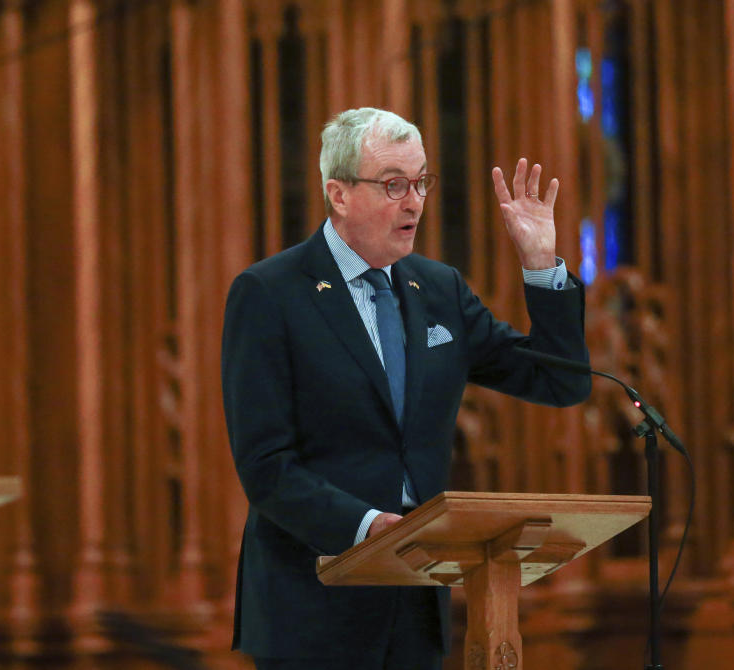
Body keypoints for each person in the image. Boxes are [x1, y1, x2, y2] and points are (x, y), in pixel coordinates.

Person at [221, 107, 590, 670]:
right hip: (311, 604)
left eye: (421, 182)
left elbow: (558, 382)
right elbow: (265, 464)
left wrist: (541, 265)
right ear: (338, 195)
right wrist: (368, 527)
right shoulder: (271, 293)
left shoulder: (437, 289)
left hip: (414, 603)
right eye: (394, 184)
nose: (414, 200)